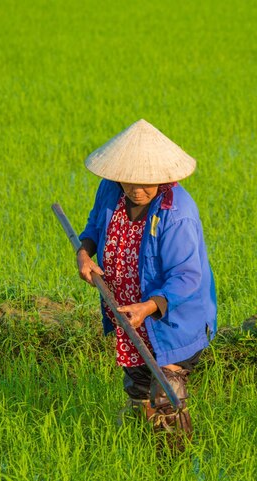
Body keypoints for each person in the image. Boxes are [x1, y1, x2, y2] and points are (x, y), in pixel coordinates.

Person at [77, 119, 217, 451]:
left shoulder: (177, 212)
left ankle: (173, 466)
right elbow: (95, 225)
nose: (136, 190)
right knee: (139, 386)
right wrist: (84, 253)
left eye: (146, 184)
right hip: (127, 310)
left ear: (162, 177)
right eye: (130, 182)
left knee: (167, 392)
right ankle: (138, 455)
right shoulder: (111, 190)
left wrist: (149, 307)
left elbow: (187, 276)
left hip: (170, 317)